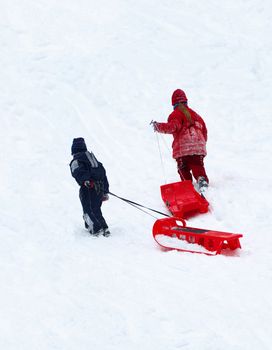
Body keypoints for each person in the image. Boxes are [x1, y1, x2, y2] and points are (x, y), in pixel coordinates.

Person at [152, 89, 209, 191]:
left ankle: (186, 185)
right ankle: (201, 179)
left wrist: (159, 126)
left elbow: (173, 126)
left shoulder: (176, 114)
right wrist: (200, 144)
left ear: (174, 103)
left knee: (183, 168)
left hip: (183, 148)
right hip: (199, 146)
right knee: (197, 165)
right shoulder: (197, 116)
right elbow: (204, 132)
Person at [70, 137, 110, 236]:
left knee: (89, 208)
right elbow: (102, 172)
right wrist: (105, 190)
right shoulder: (92, 158)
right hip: (99, 188)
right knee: (96, 208)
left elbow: (77, 171)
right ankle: (104, 227)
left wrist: (85, 180)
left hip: (88, 187)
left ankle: (96, 228)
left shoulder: (77, 160)